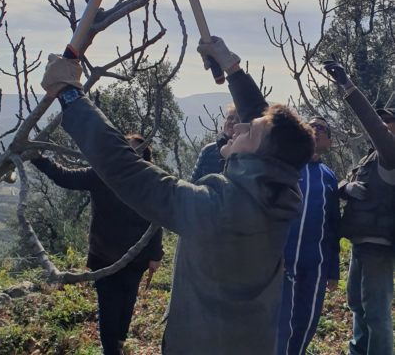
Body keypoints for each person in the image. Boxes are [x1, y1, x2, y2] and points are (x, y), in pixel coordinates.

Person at [40, 37, 315, 355]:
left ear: (261, 157)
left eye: (248, 131)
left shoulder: (219, 210)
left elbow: (130, 172)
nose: (237, 128)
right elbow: (265, 124)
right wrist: (232, 69)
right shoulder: (283, 189)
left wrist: (69, 94)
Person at [31, 133, 163, 355]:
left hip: (136, 259)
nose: (127, 155)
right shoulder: (103, 174)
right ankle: (111, 350)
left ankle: (118, 344)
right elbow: (65, 177)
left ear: (144, 159)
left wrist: (155, 255)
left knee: (127, 303)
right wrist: (38, 159)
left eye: (134, 152)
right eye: (125, 149)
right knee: (109, 307)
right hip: (104, 257)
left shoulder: (149, 181)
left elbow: (157, 219)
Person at [323, 59, 395, 355]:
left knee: (376, 311)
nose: (384, 125)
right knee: (356, 304)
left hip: (380, 248)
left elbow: (370, 122)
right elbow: (344, 183)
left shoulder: (391, 155)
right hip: (360, 245)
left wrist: (347, 85)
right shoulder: (370, 160)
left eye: (389, 122)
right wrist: (345, 187)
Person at [277, 115, 340, 355]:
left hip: (316, 266)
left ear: (329, 141)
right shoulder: (288, 168)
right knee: (283, 321)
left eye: (322, 127)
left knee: (308, 319)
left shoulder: (329, 177)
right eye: (310, 126)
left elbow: (333, 225)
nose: (316, 130)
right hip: (284, 261)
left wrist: (333, 270)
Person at [190, 104, 239, 182]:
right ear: (224, 121)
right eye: (230, 118)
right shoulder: (208, 151)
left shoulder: (248, 155)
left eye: (238, 119)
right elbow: (192, 184)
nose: (233, 121)